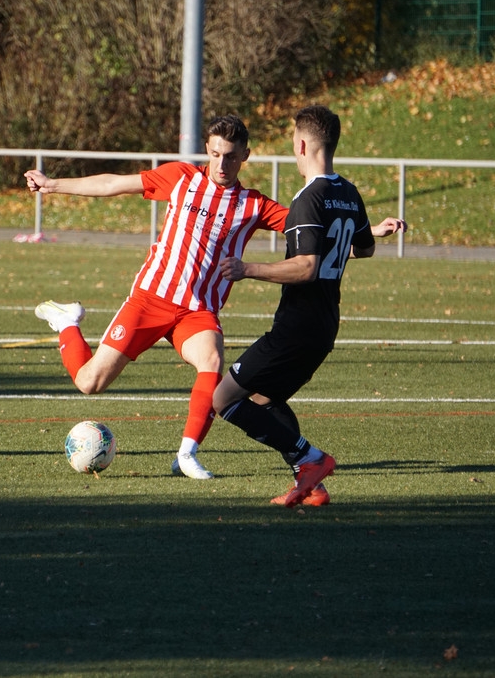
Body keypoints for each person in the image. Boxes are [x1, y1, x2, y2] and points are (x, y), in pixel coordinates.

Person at [26, 115, 289, 479]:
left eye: (230, 156)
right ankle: (66, 322)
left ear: (245, 155)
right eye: (215, 154)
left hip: (197, 311)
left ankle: (186, 455)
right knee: (89, 383)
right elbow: (113, 183)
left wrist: (361, 235)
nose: (222, 164)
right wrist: (53, 185)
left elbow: (309, 229)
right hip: (150, 299)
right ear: (207, 150)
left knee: (211, 360)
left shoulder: (253, 205)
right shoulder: (181, 177)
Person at [212, 104, 407, 507]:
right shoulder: (348, 193)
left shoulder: (308, 198)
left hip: (296, 327)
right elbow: (363, 249)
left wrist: (247, 268)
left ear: (301, 145)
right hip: (325, 324)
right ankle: (311, 484)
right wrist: (375, 231)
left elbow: (306, 267)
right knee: (265, 400)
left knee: (224, 399)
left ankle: (311, 459)